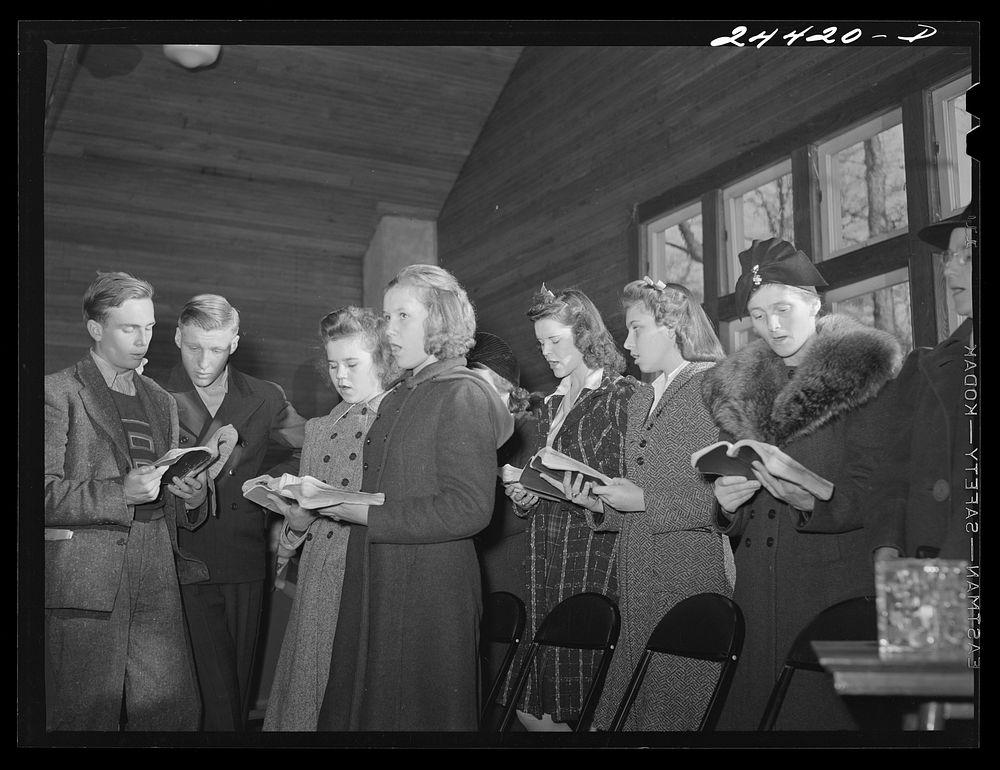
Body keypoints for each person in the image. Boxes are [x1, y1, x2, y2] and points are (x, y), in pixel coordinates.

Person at [701, 238, 901, 731]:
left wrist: (812, 501)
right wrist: (728, 507)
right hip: (759, 596)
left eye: (783, 309)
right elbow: (742, 504)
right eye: (757, 314)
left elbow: (883, 494)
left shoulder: (866, 376)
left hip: (830, 593)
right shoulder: (740, 388)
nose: (772, 326)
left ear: (815, 304)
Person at [317, 264, 513, 731]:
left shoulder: (461, 394)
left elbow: (469, 509)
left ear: (440, 321)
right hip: (381, 576)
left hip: (430, 592)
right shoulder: (405, 393)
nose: (389, 329)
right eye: (387, 317)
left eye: (403, 316)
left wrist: (362, 511)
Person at [566, 277, 736, 731]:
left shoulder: (712, 387)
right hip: (638, 569)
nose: (626, 341)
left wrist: (643, 500)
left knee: (673, 709)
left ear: (674, 327)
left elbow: (724, 506)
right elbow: (637, 495)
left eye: (636, 328)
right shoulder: (642, 394)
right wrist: (602, 505)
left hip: (688, 570)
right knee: (630, 712)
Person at [44, 271, 209, 731]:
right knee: (82, 717)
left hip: (157, 561)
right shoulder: (57, 393)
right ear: (96, 329)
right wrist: (121, 493)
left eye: (150, 327)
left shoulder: (160, 399)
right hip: (87, 575)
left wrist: (189, 498)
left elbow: (164, 486)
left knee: (173, 713)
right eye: (129, 327)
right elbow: (40, 493)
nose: (143, 340)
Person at [159, 294, 306, 731]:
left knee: (236, 693)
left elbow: (308, 450)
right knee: (195, 697)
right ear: (177, 337)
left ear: (235, 343)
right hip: (178, 560)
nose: (204, 362)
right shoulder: (152, 395)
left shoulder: (265, 396)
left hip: (245, 558)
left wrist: (262, 481)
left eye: (218, 349)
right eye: (193, 347)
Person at [501, 285, 638, 731]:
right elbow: (543, 474)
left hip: (594, 553)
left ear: (585, 335)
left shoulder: (624, 396)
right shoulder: (551, 403)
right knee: (531, 703)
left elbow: (631, 483)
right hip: (545, 555)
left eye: (555, 341)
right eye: (541, 343)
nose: (546, 352)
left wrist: (590, 494)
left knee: (583, 697)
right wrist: (526, 496)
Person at [263, 307, 398, 731]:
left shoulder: (399, 419)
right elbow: (305, 517)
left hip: (371, 570)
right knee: (308, 692)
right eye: (333, 364)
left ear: (382, 359)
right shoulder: (320, 427)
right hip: (320, 573)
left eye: (352, 364)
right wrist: (293, 522)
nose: (340, 375)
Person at [867, 196, 978, 562]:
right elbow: (895, 474)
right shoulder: (925, 368)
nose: (949, 271)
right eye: (949, 257)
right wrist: (888, 545)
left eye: (967, 255)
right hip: (925, 587)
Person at [466, 331, 540, 726]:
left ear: (508, 387)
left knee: (514, 690)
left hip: (513, 571)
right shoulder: (468, 426)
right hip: (479, 571)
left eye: (485, 385)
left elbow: (525, 508)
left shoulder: (526, 428)